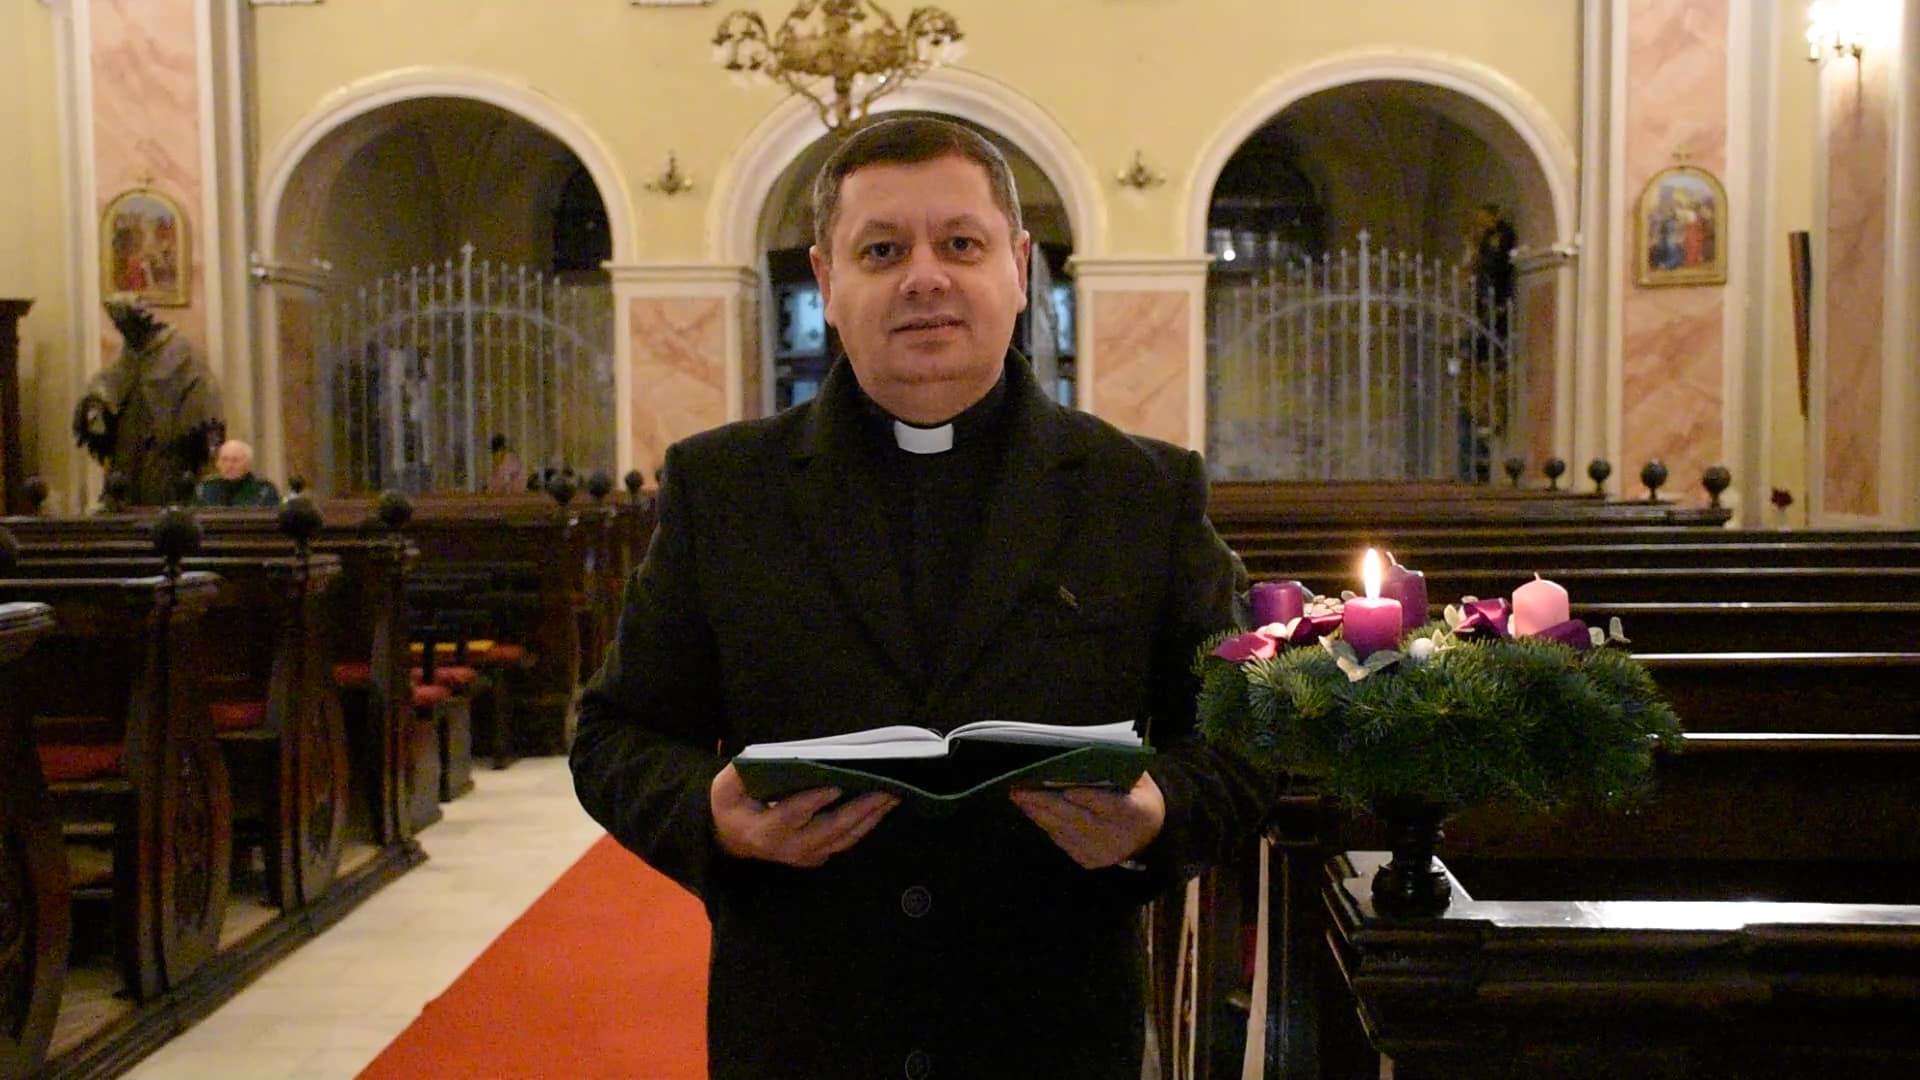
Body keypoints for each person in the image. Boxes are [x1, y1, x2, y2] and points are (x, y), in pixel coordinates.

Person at [570, 117, 1269, 1080]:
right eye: (883, 250)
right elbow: (615, 734)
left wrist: (1160, 813)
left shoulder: (1139, 492)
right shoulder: (724, 490)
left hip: (1052, 1035)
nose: (924, 277)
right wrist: (710, 815)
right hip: (805, 1033)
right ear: (827, 281)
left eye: (961, 243)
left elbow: (1243, 730)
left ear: (1019, 266)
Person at [72, 297, 224, 507]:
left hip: (164, 444)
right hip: (128, 442)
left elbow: (202, 386)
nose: (120, 330)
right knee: (124, 496)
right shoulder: (129, 352)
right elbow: (109, 381)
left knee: (162, 494)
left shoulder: (177, 349)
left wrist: (203, 426)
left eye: (123, 325)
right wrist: (95, 403)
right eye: (117, 326)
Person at [193, 439, 280, 507]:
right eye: (224, 460)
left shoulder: (264, 490)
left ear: (248, 464)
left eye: (235, 460)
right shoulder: (205, 489)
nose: (229, 465)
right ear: (217, 464)